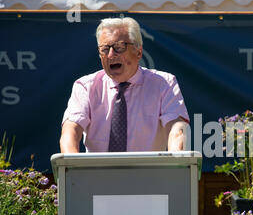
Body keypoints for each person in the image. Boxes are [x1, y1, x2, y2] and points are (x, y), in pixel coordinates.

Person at [60, 17, 189, 153]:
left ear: (138, 52)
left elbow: (177, 129)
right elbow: (70, 131)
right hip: (97, 173)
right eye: (105, 49)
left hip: (149, 172)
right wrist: (71, 167)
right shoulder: (85, 87)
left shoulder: (164, 84)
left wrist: (177, 163)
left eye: (119, 47)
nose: (111, 55)